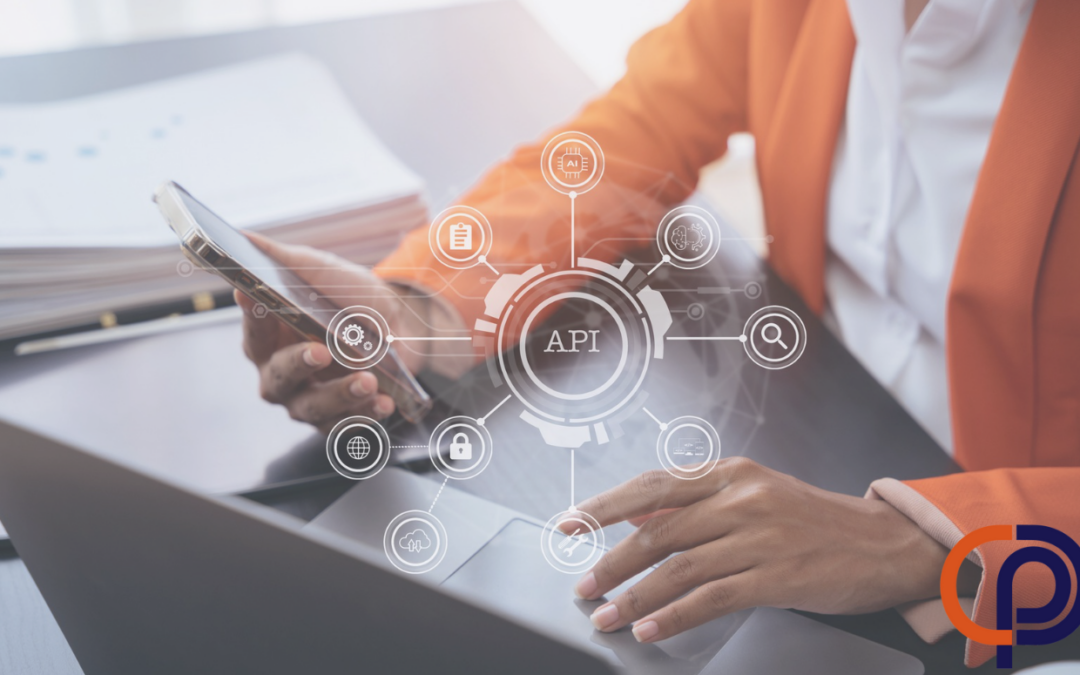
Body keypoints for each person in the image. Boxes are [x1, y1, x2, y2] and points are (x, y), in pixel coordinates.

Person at [239, 0, 1080, 667]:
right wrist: (427, 310)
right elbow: (631, 135)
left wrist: (928, 540)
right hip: (821, 418)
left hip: (1011, 566)